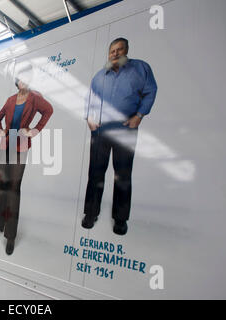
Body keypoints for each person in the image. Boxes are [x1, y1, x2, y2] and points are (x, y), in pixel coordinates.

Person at [82, 38, 158, 235]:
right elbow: (89, 99)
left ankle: (120, 219)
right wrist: (89, 117)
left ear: (126, 50)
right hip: (100, 131)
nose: (115, 53)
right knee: (95, 174)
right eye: (112, 51)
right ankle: (91, 213)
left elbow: (151, 91)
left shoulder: (140, 69)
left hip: (125, 129)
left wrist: (139, 115)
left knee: (122, 175)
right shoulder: (99, 76)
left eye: (119, 49)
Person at [0, 68, 53, 255]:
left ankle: (10, 236)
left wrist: (33, 131)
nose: (23, 81)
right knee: (2, 186)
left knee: (14, 189)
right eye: (20, 79)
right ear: (17, 81)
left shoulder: (34, 97)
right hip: (5, 146)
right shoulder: (10, 100)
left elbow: (49, 111)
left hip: (20, 147)